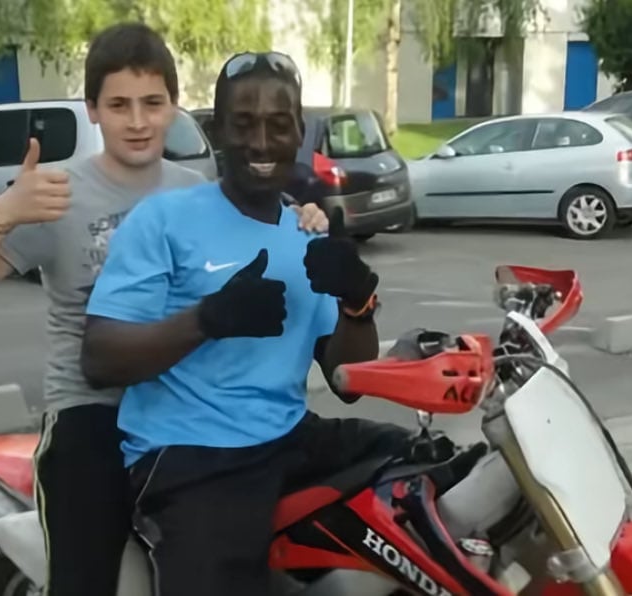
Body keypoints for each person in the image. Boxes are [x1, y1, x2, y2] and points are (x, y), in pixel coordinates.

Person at [0, 25, 329, 596]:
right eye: (118, 105)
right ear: (92, 109)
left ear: (174, 106)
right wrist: (4, 212)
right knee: (86, 575)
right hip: (91, 413)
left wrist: (308, 219)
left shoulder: (198, 187)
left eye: (152, 103)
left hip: (190, 411)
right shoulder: (57, 195)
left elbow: (269, 215)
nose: (138, 121)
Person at [81, 51, 413, 596]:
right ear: (218, 131)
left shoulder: (306, 232)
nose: (261, 143)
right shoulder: (164, 219)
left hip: (289, 437)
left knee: (428, 474)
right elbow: (100, 358)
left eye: (278, 125)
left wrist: (357, 301)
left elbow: (348, 380)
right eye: (244, 123)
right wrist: (209, 319)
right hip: (188, 456)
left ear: (299, 132)